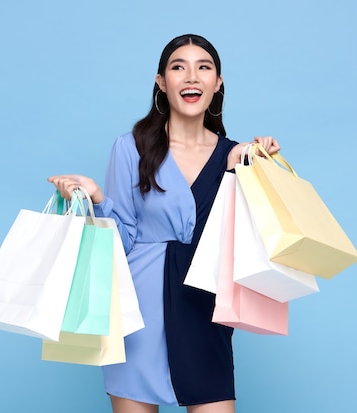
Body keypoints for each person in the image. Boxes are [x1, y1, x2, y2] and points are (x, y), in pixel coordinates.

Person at [49, 34, 280, 413]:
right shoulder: (131, 147)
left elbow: (252, 239)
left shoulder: (235, 155)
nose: (191, 77)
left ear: (218, 82)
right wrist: (96, 198)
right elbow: (120, 241)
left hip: (203, 307)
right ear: (161, 82)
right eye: (178, 67)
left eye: (203, 67)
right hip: (138, 309)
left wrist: (257, 166)